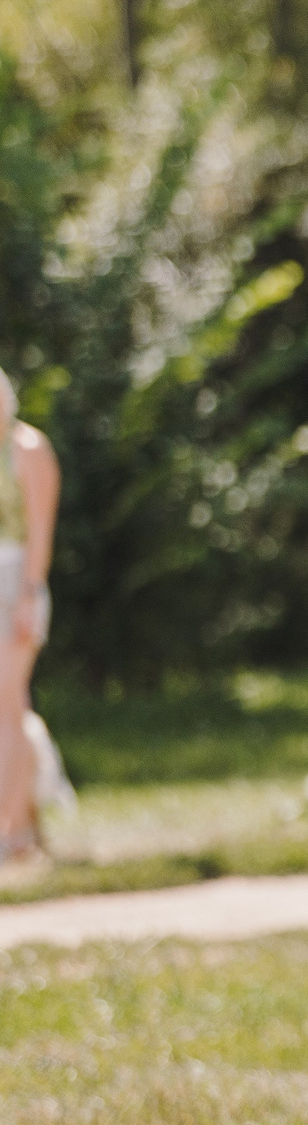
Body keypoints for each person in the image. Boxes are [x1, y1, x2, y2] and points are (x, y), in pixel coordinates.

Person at [0, 367, 61, 872]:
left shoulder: (28, 448)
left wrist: (28, 594)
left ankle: (14, 831)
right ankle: (22, 824)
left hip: (16, 583)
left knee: (8, 707)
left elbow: (40, 530)